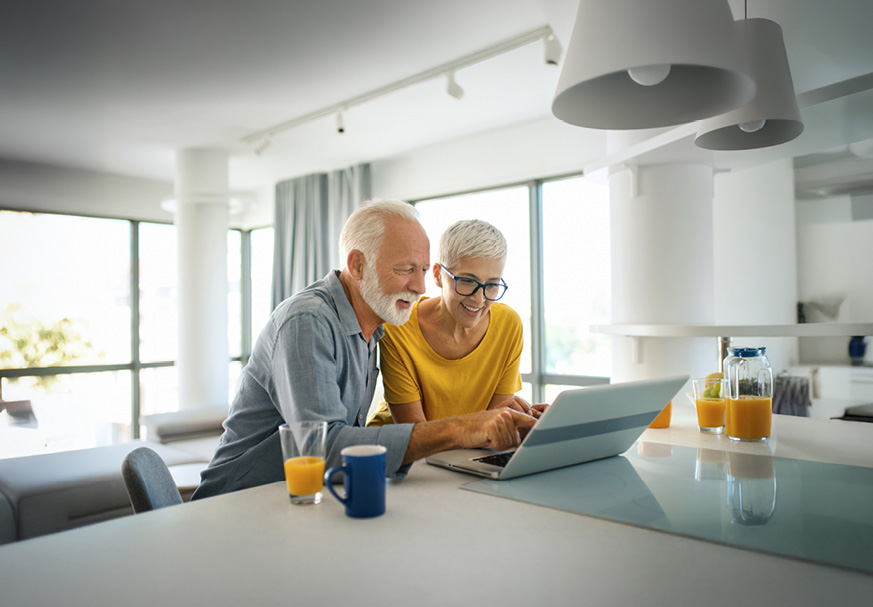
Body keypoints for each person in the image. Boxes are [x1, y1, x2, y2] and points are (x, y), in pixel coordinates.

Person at [192, 199, 536, 499]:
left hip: (308, 497)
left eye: (420, 270)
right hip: (239, 503)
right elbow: (323, 448)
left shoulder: (375, 326)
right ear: (357, 265)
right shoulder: (308, 321)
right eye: (404, 270)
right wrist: (460, 429)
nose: (418, 287)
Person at [367, 219, 536, 427]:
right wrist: (484, 426)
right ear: (438, 276)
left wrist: (527, 420)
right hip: (398, 453)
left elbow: (495, 427)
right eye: (467, 281)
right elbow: (414, 433)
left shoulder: (508, 325)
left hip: (466, 453)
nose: (479, 299)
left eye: (491, 285)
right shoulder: (399, 325)